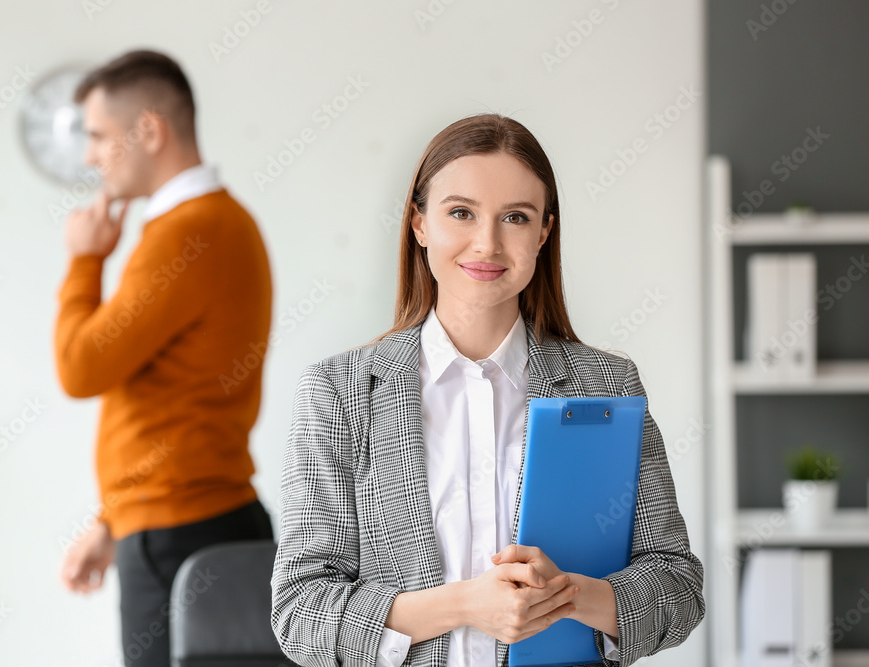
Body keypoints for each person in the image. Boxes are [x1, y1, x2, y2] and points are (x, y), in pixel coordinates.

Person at [270, 113, 704, 666]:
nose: (488, 243)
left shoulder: (607, 385)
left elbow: (678, 586)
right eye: (461, 213)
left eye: (516, 218)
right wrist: (465, 605)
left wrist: (570, 596)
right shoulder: (339, 392)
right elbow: (301, 611)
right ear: (420, 224)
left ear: (544, 233)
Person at [54, 49, 275, 667]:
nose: (90, 155)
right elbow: (178, 400)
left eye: (97, 135)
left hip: (179, 534)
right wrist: (113, 519)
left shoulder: (187, 232)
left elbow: (80, 368)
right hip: (202, 519)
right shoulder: (224, 223)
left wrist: (84, 259)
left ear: (148, 130)